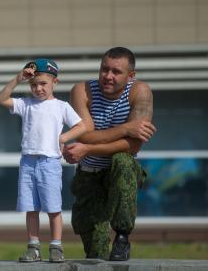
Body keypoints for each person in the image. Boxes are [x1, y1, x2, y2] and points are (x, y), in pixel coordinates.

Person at [63, 47, 156, 261]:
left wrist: (89, 148)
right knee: (96, 255)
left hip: (118, 174)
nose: (108, 76)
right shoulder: (82, 91)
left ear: (130, 75)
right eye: (104, 69)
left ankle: (123, 236)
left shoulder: (139, 92)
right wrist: (125, 129)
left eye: (116, 71)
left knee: (123, 161)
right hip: (89, 175)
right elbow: (84, 136)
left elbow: (133, 147)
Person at [0, 58, 86, 263]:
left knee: (53, 208)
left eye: (43, 84)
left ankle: (56, 246)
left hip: (49, 163)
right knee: (31, 208)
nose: (38, 88)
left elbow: (81, 126)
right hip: (28, 162)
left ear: (55, 82)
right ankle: (33, 247)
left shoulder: (61, 106)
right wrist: (18, 78)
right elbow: (1, 99)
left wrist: (64, 138)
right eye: (34, 84)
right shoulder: (25, 104)